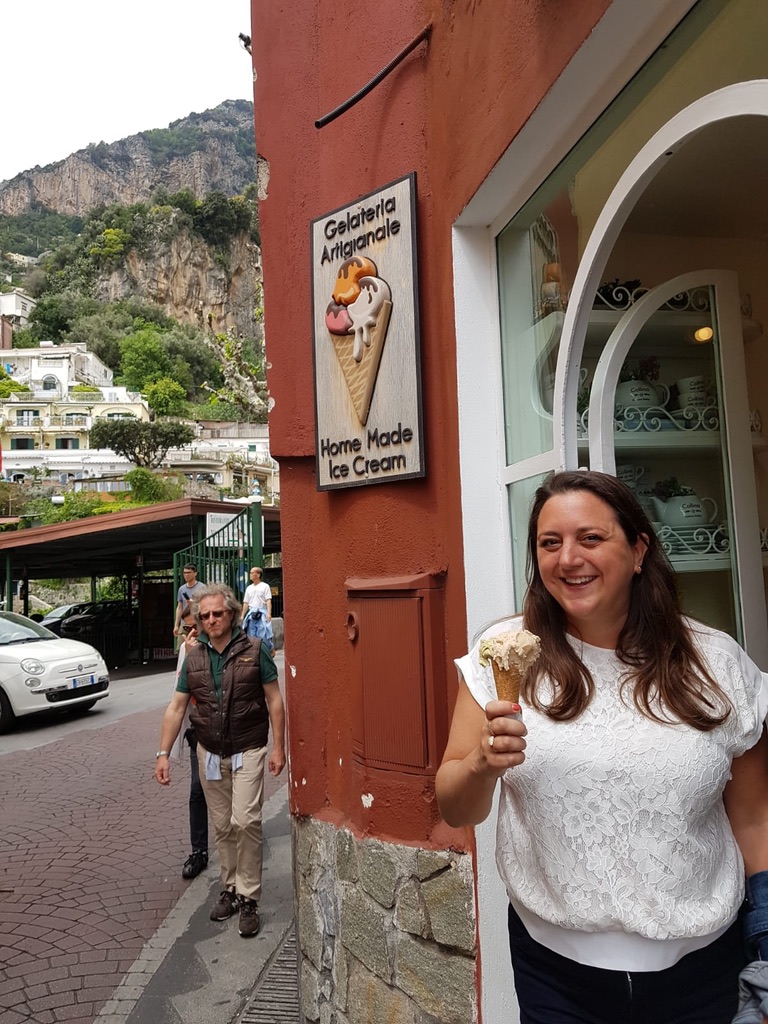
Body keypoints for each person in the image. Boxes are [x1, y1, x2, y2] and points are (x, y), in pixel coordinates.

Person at [435, 470, 768, 1024]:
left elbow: (755, 819)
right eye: (550, 543)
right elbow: (455, 806)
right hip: (556, 971)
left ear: (638, 550)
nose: (568, 559)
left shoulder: (716, 662)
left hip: (704, 966)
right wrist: (481, 765)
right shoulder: (502, 656)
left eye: (590, 538)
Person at [155, 583, 286, 938]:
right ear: (199, 619)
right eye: (206, 615)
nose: (212, 619)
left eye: (219, 613)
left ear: (232, 614)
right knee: (224, 826)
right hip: (209, 752)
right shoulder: (193, 656)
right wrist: (163, 753)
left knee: (246, 821)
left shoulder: (255, 649)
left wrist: (279, 747)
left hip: (249, 748)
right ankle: (229, 888)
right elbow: (177, 707)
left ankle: (249, 897)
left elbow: (274, 700)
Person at [170, 606, 209, 881]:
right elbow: (178, 698)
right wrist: (164, 751)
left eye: (196, 626)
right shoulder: (187, 650)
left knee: (228, 789)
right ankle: (199, 851)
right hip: (198, 730)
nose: (192, 633)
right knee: (197, 789)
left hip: (227, 732)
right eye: (186, 629)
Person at [240, 566, 274, 653]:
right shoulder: (249, 588)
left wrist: (269, 613)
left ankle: (269, 650)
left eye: (252, 573)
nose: (250, 575)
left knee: (264, 633)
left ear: (258, 575)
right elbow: (246, 603)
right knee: (251, 634)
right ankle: (254, 652)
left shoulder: (265, 586)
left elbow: (268, 600)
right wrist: (242, 615)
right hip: (251, 613)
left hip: (262, 612)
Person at [173, 564, 205, 639]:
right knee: (181, 647)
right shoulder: (181, 589)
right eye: (184, 573)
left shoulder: (202, 587)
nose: (186, 575)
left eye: (189, 572)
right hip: (184, 623)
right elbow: (180, 607)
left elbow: (206, 605)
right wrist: (176, 625)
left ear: (195, 573)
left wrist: (194, 603)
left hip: (197, 623)